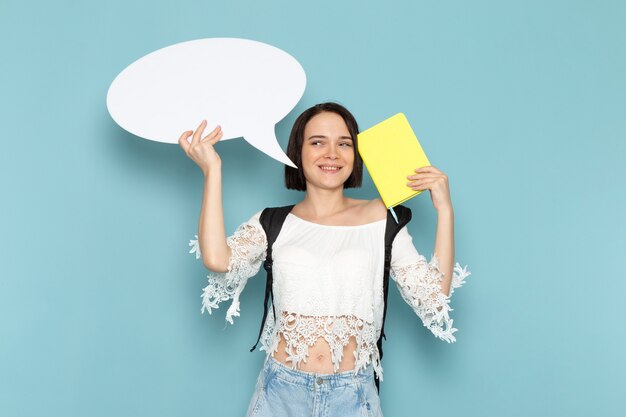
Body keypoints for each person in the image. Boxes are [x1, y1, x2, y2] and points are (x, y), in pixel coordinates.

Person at [178, 102, 470, 417]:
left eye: (344, 144)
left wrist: (445, 211)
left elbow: (433, 297)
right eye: (317, 142)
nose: (331, 153)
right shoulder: (271, 221)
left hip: (353, 395)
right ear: (297, 152)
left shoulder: (382, 219)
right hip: (279, 394)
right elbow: (217, 259)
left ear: (355, 156)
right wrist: (212, 171)